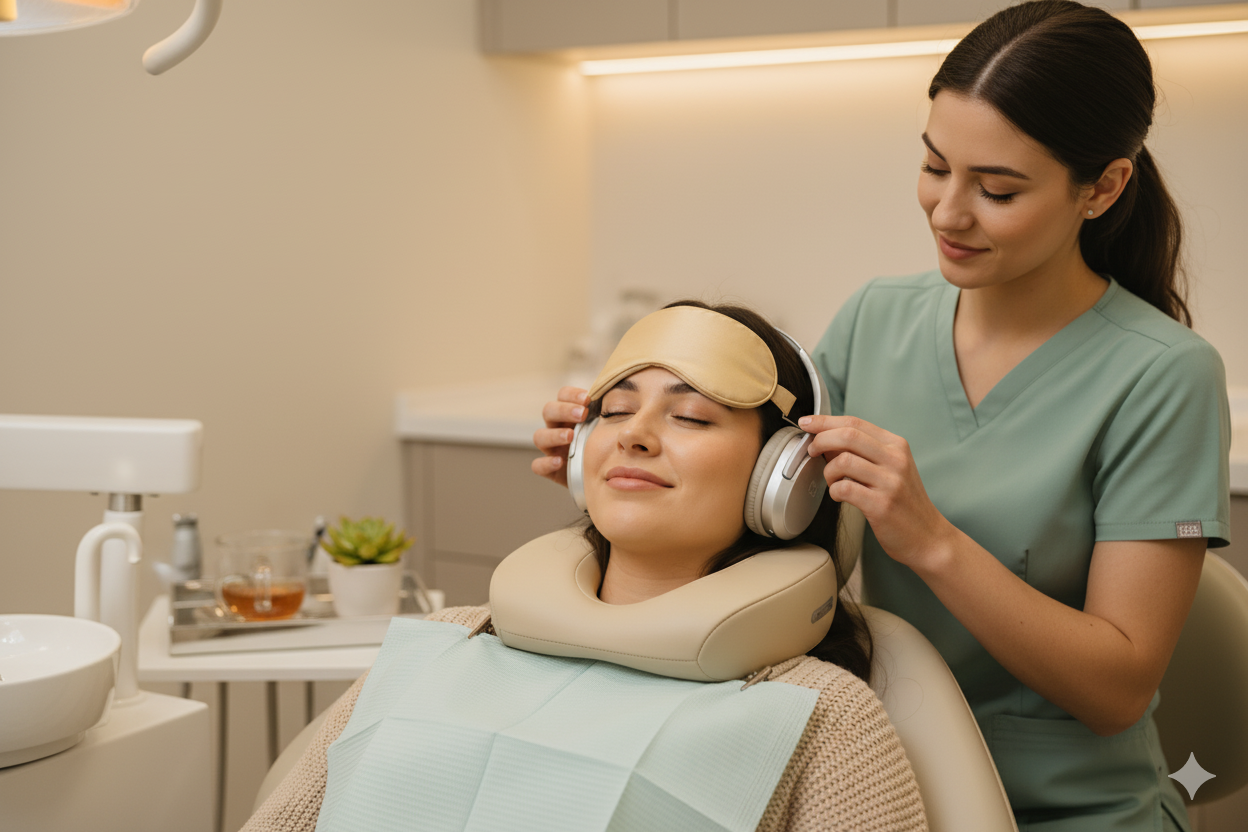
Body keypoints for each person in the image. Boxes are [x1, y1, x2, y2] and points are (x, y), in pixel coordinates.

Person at [533, 4, 1231, 831]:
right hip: (870, 777)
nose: (948, 212)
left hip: (1061, 811)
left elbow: (1118, 690)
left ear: (1104, 188)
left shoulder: (1162, 376)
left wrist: (929, 540)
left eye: (997, 189)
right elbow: (760, 501)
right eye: (935, 167)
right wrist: (617, 453)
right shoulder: (876, 319)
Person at [244, 301, 929, 832]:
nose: (633, 433)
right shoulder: (445, 642)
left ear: (783, 479)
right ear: (577, 456)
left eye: (690, 417)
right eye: (616, 410)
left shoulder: (823, 716)